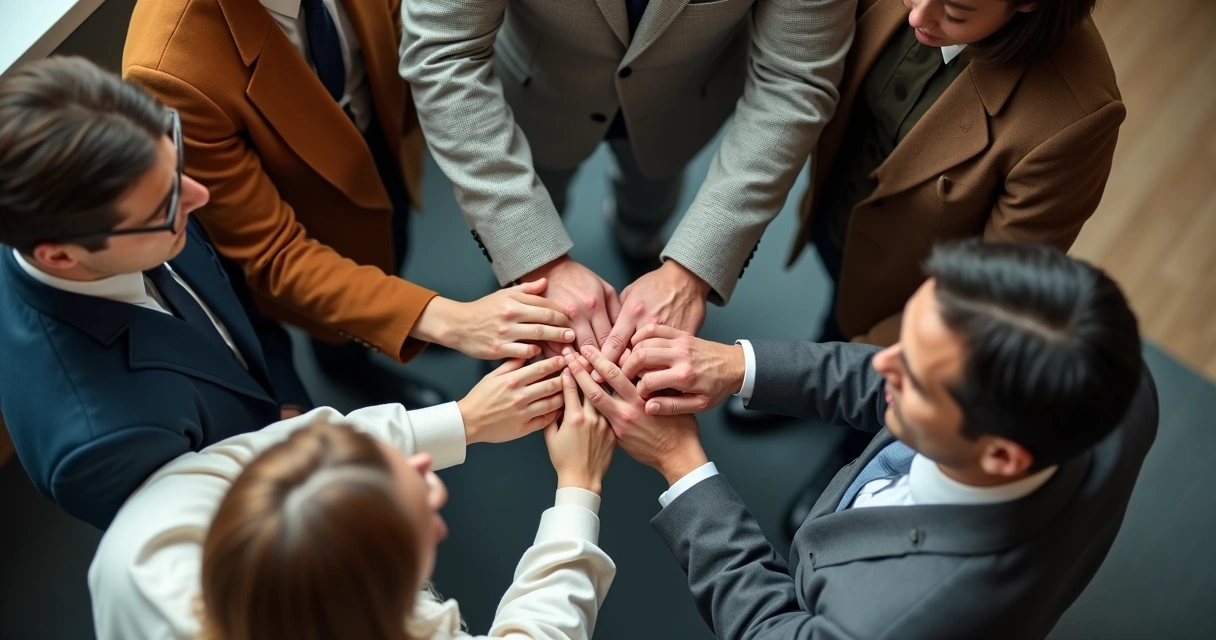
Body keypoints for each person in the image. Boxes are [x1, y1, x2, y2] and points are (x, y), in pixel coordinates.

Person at [567, 240, 1156, 639]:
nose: (881, 366)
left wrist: (679, 460)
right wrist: (738, 366)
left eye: (913, 379)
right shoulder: (1118, 383)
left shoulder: (885, 620)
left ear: (1001, 456)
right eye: (905, 340)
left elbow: (775, 630)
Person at [123, 0, 577, 408]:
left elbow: (420, 41)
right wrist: (447, 320)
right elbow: (277, 253)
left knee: (392, 246)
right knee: (338, 335)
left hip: (382, 142)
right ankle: (350, 368)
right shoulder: (170, 71)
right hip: (307, 217)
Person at [400, 0, 855, 364]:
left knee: (652, 194)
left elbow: (794, 79)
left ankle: (638, 238)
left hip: (680, 105)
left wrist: (691, 270)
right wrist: (534, 261)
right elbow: (442, 52)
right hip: (535, 100)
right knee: (538, 201)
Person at [0, 57, 311, 528]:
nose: (198, 195)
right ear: (59, 256)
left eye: (175, 157)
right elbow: (213, 528)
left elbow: (230, 294)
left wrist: (289, 398)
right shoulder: (96, 443)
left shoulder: (139, 195)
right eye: (165, 205)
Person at [89, 366, 615, 640]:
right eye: (424, 514)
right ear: (397, 588)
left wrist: (465, 420)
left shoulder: (141, 543)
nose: (427, 472)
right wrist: (579, 484)